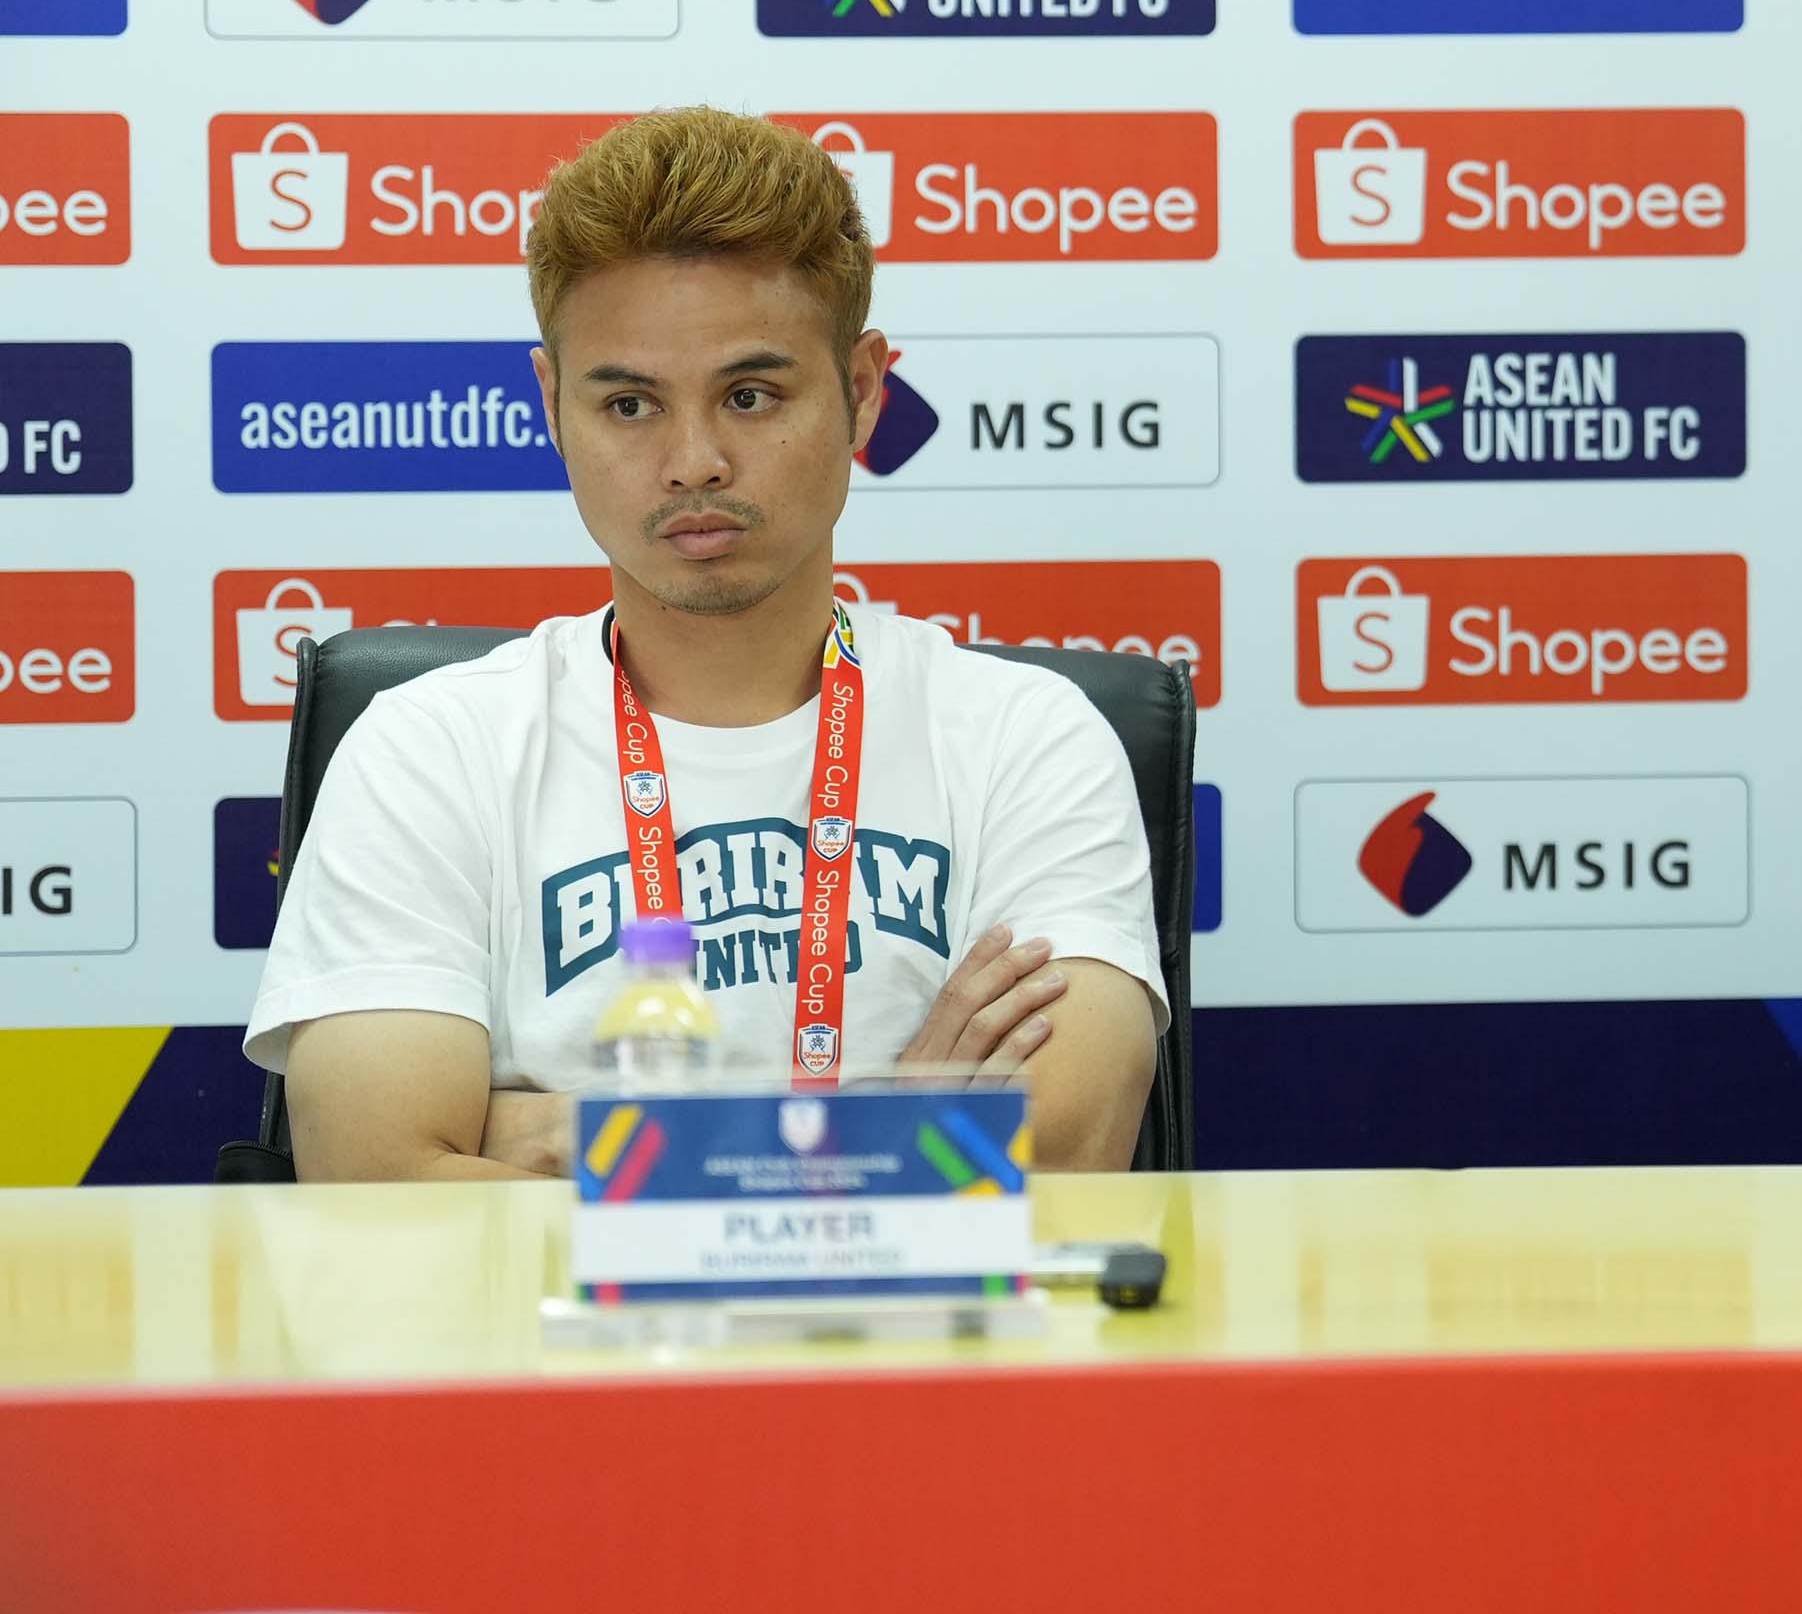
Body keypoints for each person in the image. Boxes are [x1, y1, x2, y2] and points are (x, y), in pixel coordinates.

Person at [246, 107, 1167, 1179]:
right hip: (643, 1320)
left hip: (836, 1319)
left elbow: (1063, 1159)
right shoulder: (429, 747)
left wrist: (545, 1134)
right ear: (552, 403)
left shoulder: (1025, 737)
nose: (694, 460)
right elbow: (381, 1185)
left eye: (749, 394)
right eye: (631, 403)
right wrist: (893, 1126)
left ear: (863, 391)